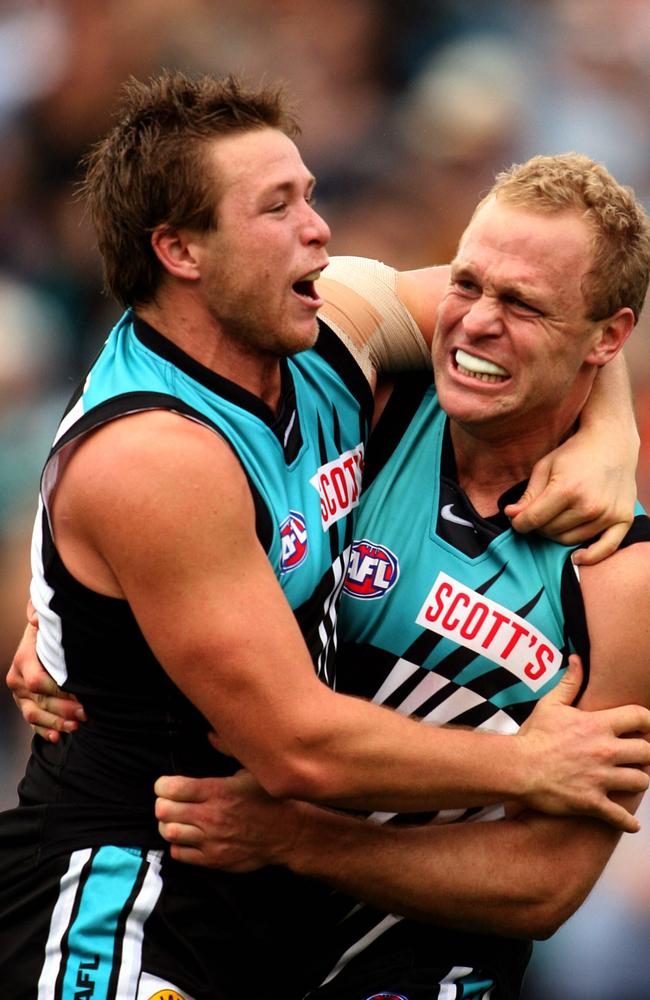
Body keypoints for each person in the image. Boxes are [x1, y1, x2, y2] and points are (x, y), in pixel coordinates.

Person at [3, 70, 649, 1000]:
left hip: (302, 919)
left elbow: (547, 317)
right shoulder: (158, 455)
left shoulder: (332, 333)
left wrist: (609, 435)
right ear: (181, 249)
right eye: (279, 206)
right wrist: (530, 762)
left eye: (310, 193)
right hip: (128, 880)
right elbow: (298, 747)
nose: (321, 228)